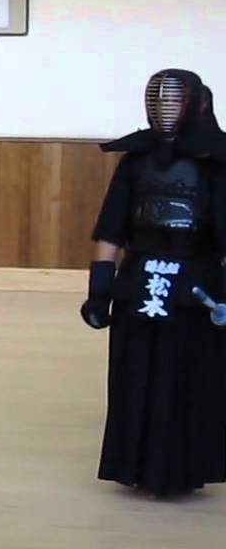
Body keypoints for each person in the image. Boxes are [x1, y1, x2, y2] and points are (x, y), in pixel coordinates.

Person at [80, 68, 226, 496]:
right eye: (158, 98)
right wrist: (99, 290)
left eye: (174, 99)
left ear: (197, 104)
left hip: (196, 289)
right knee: (135, 375)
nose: (165, 108)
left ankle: (183, 468)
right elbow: (111, 230)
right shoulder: (136, 162)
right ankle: (134, 464)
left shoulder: (218, 163)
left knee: (190, 379)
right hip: (139, 282)